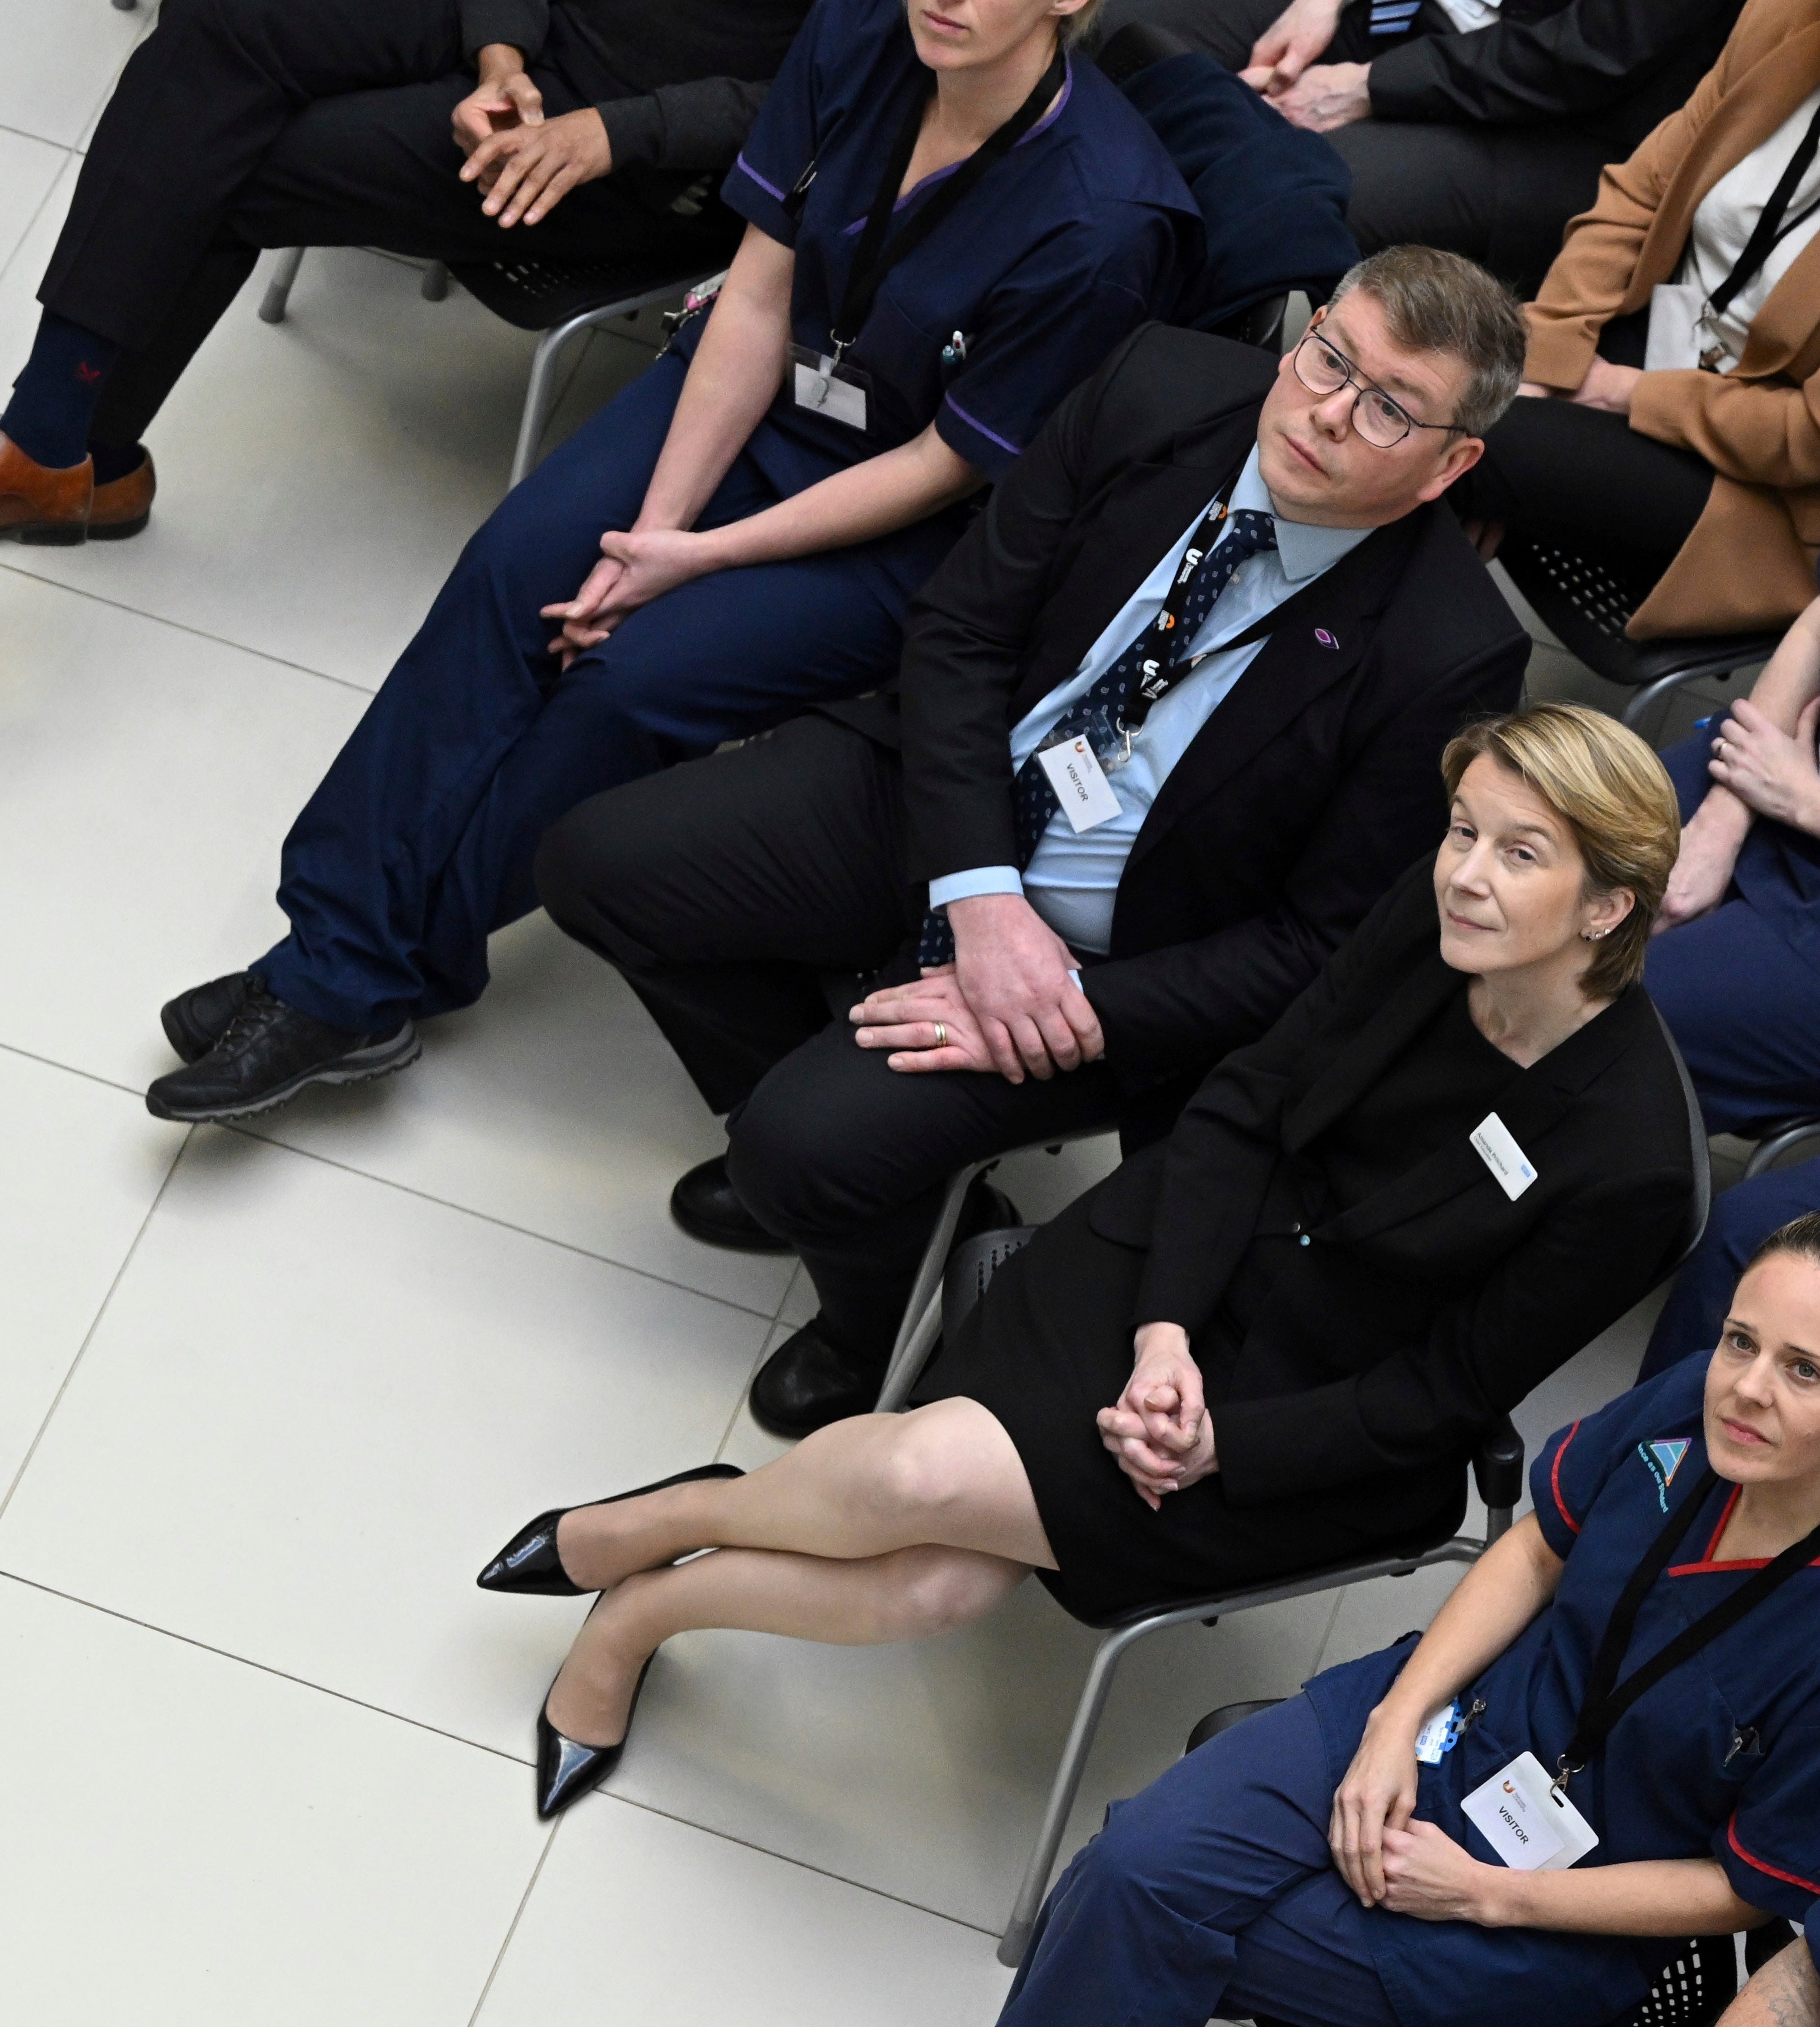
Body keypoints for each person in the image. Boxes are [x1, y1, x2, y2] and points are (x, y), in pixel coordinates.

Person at [476, 706, 1699, 1828]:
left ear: (1606, 907)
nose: (1465, 874)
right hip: (1183, 1252)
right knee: (926, 1523)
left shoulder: (1625, 1162)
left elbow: (1443, 1391)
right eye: (1460, 830)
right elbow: (1243, 1107)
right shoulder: (1433, 923)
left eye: (1517, 853)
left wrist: (1225, 1442)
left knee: (941, 1567)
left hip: (1317, 1419)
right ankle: (650, 1553)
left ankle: (639, 1573)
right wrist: (1164, 1326)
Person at [142, 0, 1201, 1121]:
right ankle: (340, 960)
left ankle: (345, 975)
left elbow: (943, 466)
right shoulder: (854, 33)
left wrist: (692, 560)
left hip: (904, 521)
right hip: (764, 396)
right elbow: (756, 289)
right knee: (519, 569)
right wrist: (649, 531)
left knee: (630, 680)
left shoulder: (1102, 221)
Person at [538, 246, 1530, 1439]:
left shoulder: (1446, 651)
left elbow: (1315, 947)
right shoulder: (1156, 385)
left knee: (805, 1150)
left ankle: (874, 1313)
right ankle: (853, 1166)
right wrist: (977, 897)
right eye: (1327, 357)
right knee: (595, 867)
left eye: (1384, 408)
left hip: (1105, 967)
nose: (1323, 410)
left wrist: (1068, 998)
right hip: (946, 806)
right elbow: (959, 630)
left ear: (1451, 463)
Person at [992, 1211, 1820, 2027]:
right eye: (1739, 1340)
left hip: (1558, 1903)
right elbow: (1538, 1553)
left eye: (1804, 1370)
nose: (1747, 1387)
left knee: (1143, 1928)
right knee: (1127, 1874)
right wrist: (1395, 1720)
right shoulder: (1694, 1406)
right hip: (1452, 1718)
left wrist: (1492, 1894)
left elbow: (1744, 1889)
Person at [0, 0, 803, 545]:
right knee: (219, 25)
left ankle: (69, 449)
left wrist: (615, 131)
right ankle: (58, 446)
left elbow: (852, 109)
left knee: (239, 158)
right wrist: (498, 52)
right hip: (531, 32)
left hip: (638, 149)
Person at [1449, 0, 1820, 635]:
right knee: (1455, 385)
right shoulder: (1786, 17)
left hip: (1765, 488)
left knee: (1448, 438)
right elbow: (1641, 191)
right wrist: (1541, 366)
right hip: (1666, 336)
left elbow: (1806, 437)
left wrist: (1622, 394)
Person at [1089, 0, 1742, 293]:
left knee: (1285, 195)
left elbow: (1587, 56)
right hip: (1392, 15)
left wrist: (1369, 85)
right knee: (1108, 26)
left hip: (1542, 116)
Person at [1636, 596, 1820, 1377]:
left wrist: (1805, 801)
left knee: (1621, 1009)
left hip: (1801, 796)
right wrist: (1727, 811)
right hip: (1780, 774)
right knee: (1546, 841)